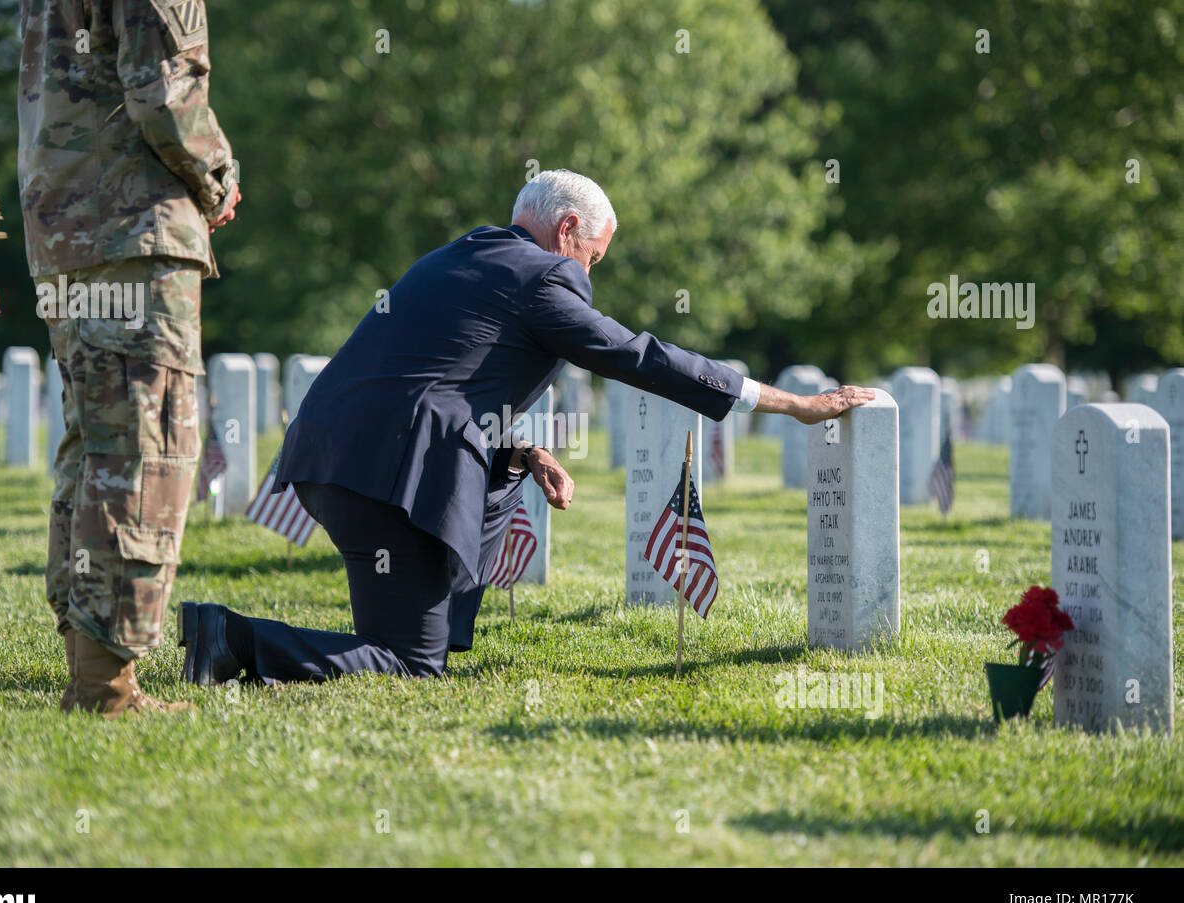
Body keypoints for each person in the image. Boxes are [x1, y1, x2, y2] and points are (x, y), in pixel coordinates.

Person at [178, 170, 871, 685]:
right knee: (411, 667)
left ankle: (413, 623)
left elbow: (435, 380)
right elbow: (640, 356)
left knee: (428, 597)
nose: (589, 272)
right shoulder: (545, 278)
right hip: (386, 475)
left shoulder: (464, 254)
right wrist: (788, 403)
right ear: (568, 231)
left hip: (332, 460)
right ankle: (229, 635)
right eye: (593, 257)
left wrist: (521, 449)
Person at [18, 0, 239, 717]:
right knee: (145, 452)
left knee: (95, 449)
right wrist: (219, 174)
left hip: (65, 234)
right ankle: (103, 689)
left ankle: (94, 670)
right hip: (131, 232)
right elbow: (163, 91)